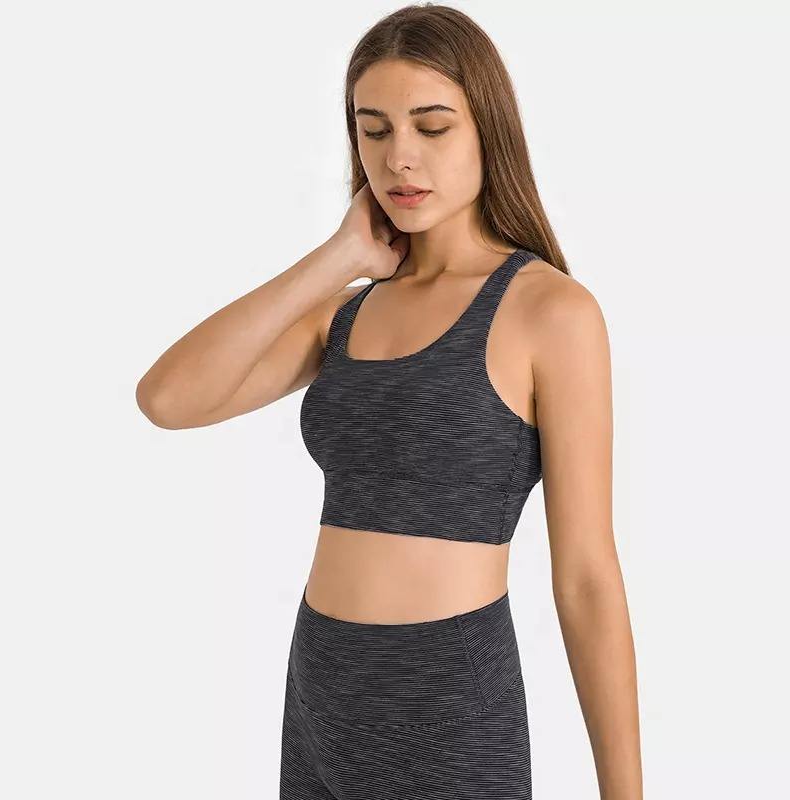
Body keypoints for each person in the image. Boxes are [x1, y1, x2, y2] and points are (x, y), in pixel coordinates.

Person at [136, 5, 642, 799]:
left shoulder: (549, 312)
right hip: (320, 692)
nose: (400, 157)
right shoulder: (346, 312)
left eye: (431, 127)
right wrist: (339, 255)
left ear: (488, 131)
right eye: (373, 130)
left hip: (448, 704)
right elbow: (168, 399)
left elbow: (585, 577)